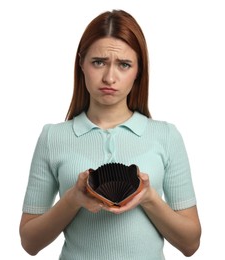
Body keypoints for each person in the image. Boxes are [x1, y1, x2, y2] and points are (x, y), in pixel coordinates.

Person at [19, 9, 201, 260]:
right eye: (98, 62)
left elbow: (191, 244)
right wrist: (73, 198)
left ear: (138, 71)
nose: (109, 77)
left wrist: (148, 198)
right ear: (81, 63)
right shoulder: (53, 137)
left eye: (124, 64)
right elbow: (29, 242)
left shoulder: (166, 136)